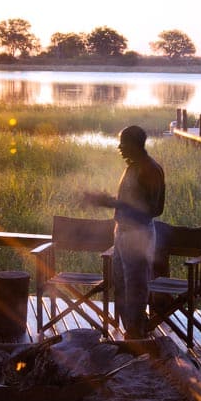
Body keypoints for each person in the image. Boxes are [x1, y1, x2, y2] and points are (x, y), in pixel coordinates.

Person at [83, 124, 165, 337]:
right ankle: (130, 330)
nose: (119, 147)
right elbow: (130, 202)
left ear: (134, 144)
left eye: (122, 143)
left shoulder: (150, 169)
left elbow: (154, 210)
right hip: (122, 233)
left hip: (138, 235)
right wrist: (109, 201)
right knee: (121, 283)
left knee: (136, 286)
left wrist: (113, 203)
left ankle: (136, 334)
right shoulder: (132, 167)